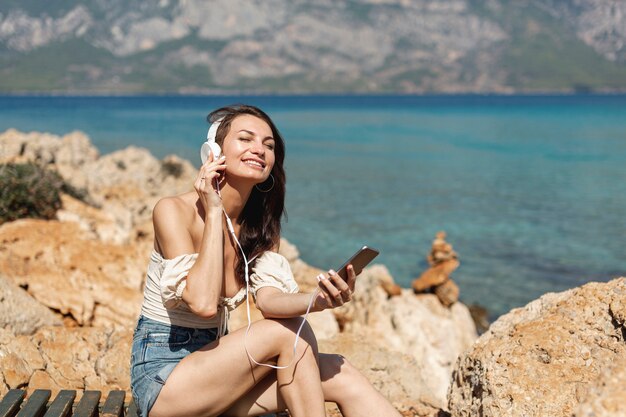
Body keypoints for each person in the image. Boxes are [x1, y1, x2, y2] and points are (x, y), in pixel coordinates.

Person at [130, 104, 401, 417]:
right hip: (165, 383)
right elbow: (203, 304)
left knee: (342, 373)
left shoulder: (259, 229)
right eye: (245, 139)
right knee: (284, 333)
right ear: (213, 151)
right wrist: (214, 210)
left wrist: (319, 300)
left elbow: (270, 302)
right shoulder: (173, 211)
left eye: (268, 145)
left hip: (219, 378)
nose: (258, 149)